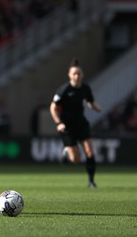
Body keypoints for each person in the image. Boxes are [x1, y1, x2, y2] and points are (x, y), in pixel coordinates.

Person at [49, 58, 101, 188]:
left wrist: (96, 107)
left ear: (82, 74)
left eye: (79, 73)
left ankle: (91, 182)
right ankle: (67, 152)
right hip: (67, 126)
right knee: (75, 159)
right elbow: (53, 107)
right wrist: (58, 123)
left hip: (81, 123)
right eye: (75, 74)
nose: (77, 76)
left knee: (90, 152)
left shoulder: (85, 88)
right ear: (69, 75)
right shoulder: (64, 90)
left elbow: (90, 101)